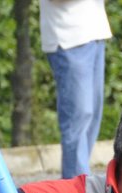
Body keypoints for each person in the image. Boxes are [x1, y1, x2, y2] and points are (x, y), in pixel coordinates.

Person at [40, 0, 111, 179]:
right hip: (68, 39)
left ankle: (79, 186)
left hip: (94, 35)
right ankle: (77, 191)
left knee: (92, 115)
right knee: (78, 117)